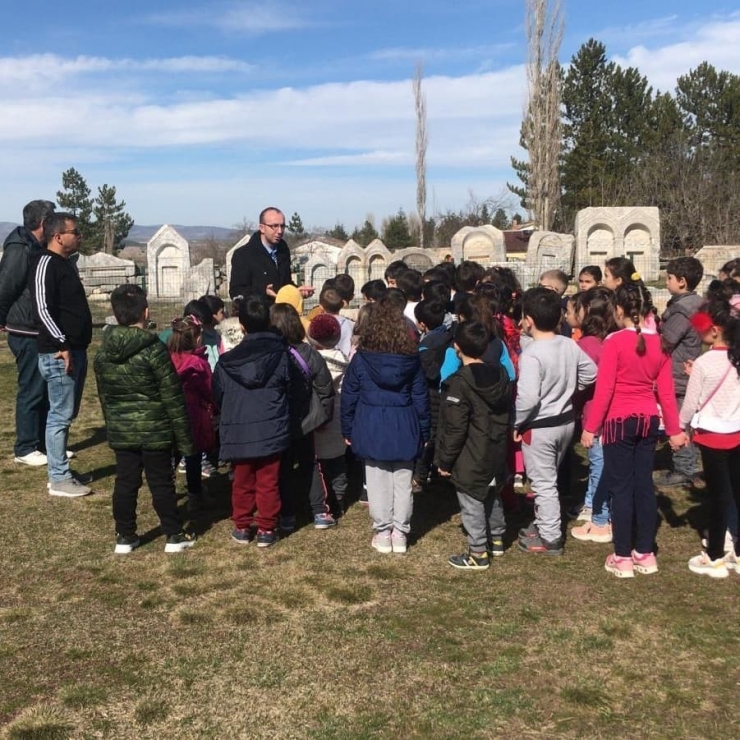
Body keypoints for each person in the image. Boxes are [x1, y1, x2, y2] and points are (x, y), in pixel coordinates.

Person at [582, 282, 687, 578]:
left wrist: (591, 427)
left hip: (618, 422)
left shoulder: (614, 342)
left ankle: (623, 555)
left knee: (621, 488)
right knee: (643, 484)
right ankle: (645, 552)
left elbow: (604, 390)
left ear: (618, 310)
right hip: (648, 420)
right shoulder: (662, 343)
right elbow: (665, 394)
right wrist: (675, 430)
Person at [94, 285, 197, 553]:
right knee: (161, 482)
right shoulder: (154, 350)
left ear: (115, 315)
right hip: (156, 430)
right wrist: (186, 441)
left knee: (126, 482)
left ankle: (124, 535)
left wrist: (113, 427)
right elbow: (172, 396)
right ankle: (174, 534)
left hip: (123, 430)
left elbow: (105, 396)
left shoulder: (103, 353)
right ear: (146, 311)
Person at [341, 294, 430, 554]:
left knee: (378, 480)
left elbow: (349, 396)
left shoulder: (361, 359)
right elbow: (421, 398)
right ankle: (400, 532)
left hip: (372, 423)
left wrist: (347, 428)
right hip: (404, 421)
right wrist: (424, 430)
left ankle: (383, 532)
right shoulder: (411, 359)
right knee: (402, 481)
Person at [514, 287, 597, 555]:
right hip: (565, 422)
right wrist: (571, 390)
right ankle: (544, 523)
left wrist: (515, 422)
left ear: (529, 320)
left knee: (543, 482)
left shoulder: (533, 355)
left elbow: (527, 398)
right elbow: (591, 372)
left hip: (540, 427)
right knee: (549, 479)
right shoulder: (568, 343)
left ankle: (550, 537)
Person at [212, 294, 296, 548]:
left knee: (242, 480)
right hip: (271, 424)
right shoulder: (281, 355)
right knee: (268, 480)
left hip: (239, 428)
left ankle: (242, 525)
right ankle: (267, 528)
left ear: (243, 326)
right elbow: (290, 386)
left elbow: (218, 394)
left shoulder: (227, 363)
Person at [435, 321, 511, 571]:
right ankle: (497, 538)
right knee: (491, 492)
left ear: (456, 347)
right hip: (496, 447)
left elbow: (455, 427)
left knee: (471, 500)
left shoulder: (460, 382)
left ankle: (478, 551)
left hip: (471, 452)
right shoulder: (501, 374)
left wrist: (444, 461)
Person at [30, 212, 93, 497]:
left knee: (67, 413)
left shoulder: (66, 264)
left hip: (76, 349)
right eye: (75, 232)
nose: (78, 236)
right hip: (59, 353)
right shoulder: (45, 263)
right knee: (59, 415)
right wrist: (62, 344)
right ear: (58, 237)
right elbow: (43, 309)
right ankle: (58, 478)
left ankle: (60, 467)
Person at [680, 289, 740, 578]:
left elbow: (691, 403)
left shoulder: (705, 363)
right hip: (736, 432)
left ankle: (715, 554)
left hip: (712, 436)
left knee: (717, 497)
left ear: (714, 331)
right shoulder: (736, 358)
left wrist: (680, 426)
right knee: (737, 492)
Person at [270, 303, 337, 531]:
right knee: (310, 464)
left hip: (279, 420)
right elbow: (325, 387)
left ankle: (287, 515)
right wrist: (324, 416)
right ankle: (320, 511)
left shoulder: (271, 355)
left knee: (283, 467)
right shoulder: (308, 352)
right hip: (307, 418)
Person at [0, 199, 56, 466]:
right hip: (25, 329)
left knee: (45, 389)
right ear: (43, 223)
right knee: (31, 389)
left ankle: (45, 445)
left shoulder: (37, 247)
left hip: (38, 328)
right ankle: (24, 447)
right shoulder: (20, 249)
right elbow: (7, 286)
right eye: (52, 221)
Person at [570, 287, 618, 541]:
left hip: (595, 415)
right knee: (600, 463)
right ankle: (593, 506)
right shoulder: (608, 340)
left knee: (599, 464)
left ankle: (601, 518)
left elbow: (582, 382)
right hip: (608, 415)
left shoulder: (587, 345)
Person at [654, 257, 704, 487]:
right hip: (690, 366)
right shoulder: (697, 303)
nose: (666, 282)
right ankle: (689, 463)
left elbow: (666, 341)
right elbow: (702, 335)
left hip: (677, 372)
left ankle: (684, 469)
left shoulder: (682, 311)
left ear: (682, 281)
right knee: (686, 419)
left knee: (679, 421)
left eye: (670, 278)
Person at [167, 316, 216, 515]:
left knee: (173, 453)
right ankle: (195, 494)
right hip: (193, 415)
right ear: (197, 339)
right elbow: (209, 388)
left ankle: (166, 490)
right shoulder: (198, 363)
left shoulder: (167, 358)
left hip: (171, 413)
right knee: (193, 455)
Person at [307, 313, 349, 515]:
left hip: (318, 415)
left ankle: (322, 497)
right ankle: (339, 497)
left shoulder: (312, 363)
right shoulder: (344, 360)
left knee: (319, 462)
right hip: (339, 416)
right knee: (338, 461)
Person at [229, 207, 314, 300]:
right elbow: (236, 292)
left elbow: (285, 284)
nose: (280, 231)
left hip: (282, 312)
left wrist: (297, 291)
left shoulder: (283, 250)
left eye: (282, 226)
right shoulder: (243, 255)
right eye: (274, 226)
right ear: (262, 228)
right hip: (259, 312)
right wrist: (263, 292)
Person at [319, 286, 354, 358]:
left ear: (321, 307)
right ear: (342, 304)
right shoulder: (350, 324)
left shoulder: (319, 325)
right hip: (345, 362)